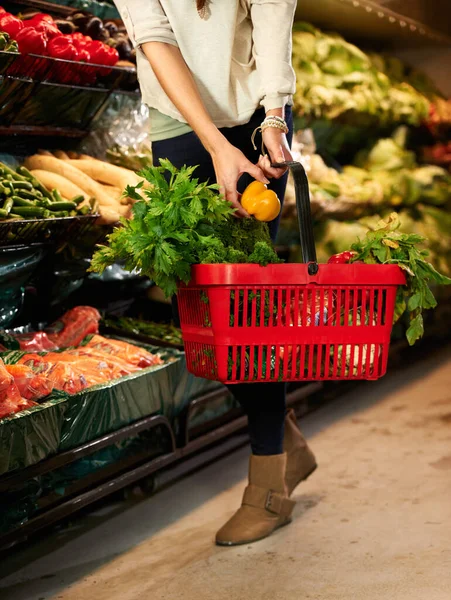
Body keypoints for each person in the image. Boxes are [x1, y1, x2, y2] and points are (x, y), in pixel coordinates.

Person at [116, 0, 317, 546]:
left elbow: (274, 13)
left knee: (245, 311)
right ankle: (287, 439)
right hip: (179, 116)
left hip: (258, 112)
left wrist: (275, 115)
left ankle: (269, 484)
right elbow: (153, 33)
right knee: (201, 312)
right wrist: (213, 143)